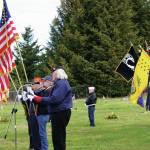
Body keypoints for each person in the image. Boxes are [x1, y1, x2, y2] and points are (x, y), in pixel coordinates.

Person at [33, 68, 72, 150]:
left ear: (57, 75)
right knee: (57, 136)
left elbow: (55, 98)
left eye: (53, 74)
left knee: (58, 137)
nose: (52, 76)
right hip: (59, 112)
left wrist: (39, 99)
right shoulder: (60, 83)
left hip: (60, 112)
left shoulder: (62, 83)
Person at [32, 76, 53, 150]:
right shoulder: (45, 90)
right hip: (42, 113)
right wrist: (32, 95)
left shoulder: (49, 90)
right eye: (43, 81)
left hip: (44, 113)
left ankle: (44, 148)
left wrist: (34, 97)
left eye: (45, 81)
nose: (43, 82)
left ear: (50, 82)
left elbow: (43, 102)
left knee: (42, 134)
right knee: (41, 133)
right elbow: (38, 95)